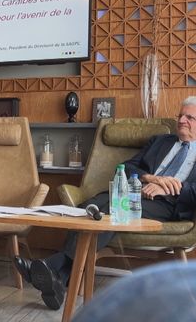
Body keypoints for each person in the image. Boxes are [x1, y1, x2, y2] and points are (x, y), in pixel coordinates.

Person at [13, 96, 196, 310]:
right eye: (180, 115)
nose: (182, 120)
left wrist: (171, 187)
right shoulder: (160, 141)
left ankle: (52, 267)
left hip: (169, 204)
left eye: (189, 117)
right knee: (87, 208)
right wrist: (152, 178)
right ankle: (58, 280)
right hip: (134, 192)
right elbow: (127, 167)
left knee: (113, 210)